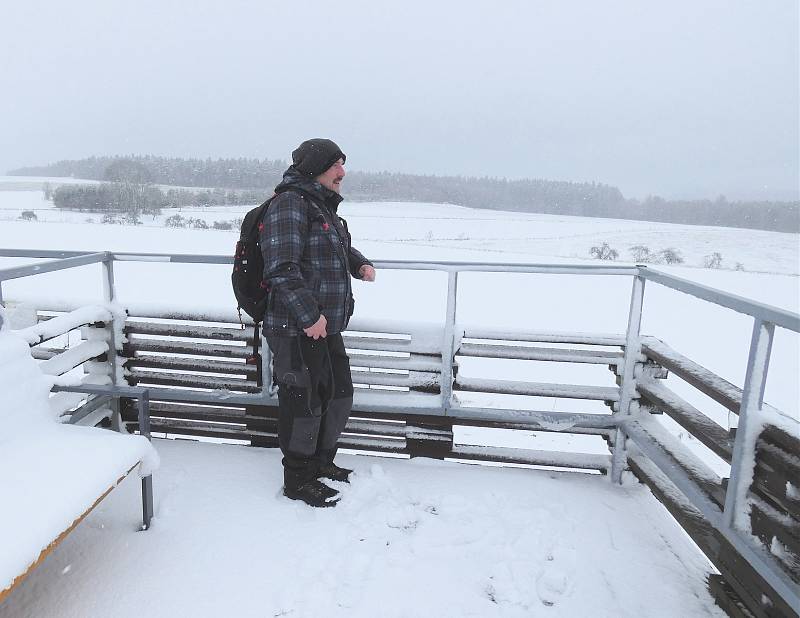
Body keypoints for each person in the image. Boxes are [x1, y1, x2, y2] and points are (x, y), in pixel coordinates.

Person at [260, 138, 375, 507]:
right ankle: (298, 478)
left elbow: (333, 247)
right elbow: (281, 268)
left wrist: (358, 263)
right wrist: (310, 316)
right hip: (297, 328)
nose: (342, 173)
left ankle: (322, 462)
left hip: (327, 326)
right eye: (335, 165)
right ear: (314, 168)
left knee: (339, 396)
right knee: (303, 405)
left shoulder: (321, 207)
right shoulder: (288, 205)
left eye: (343, 165)